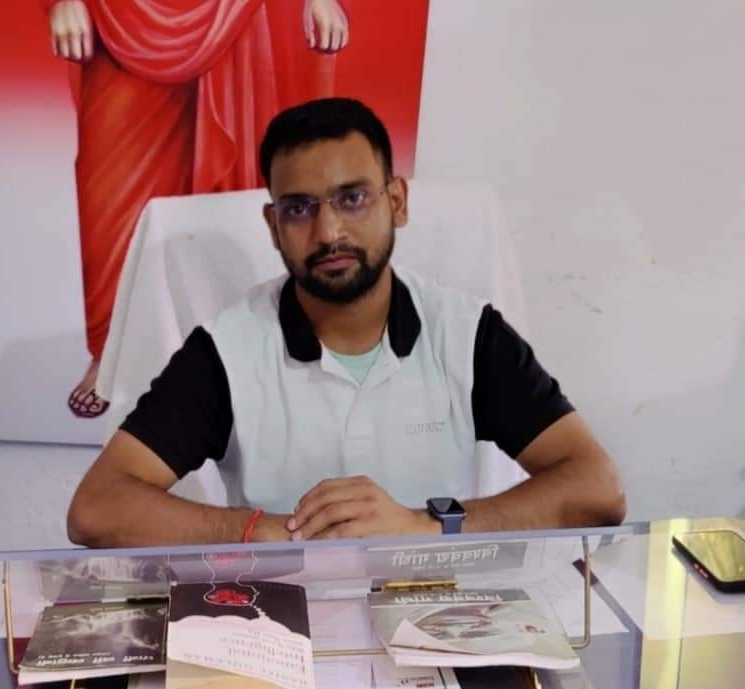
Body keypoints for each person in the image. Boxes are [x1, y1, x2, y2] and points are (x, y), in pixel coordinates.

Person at [66, 98, 626, 546]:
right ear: (273, 225)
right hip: (279, 614)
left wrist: (426, 527)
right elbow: (98, 508)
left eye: (352, 198)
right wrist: (269, 533)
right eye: (299, 208)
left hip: (437, 613)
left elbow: (597, 486)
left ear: (397, 202)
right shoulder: (227, 349)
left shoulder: (467, 333)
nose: (329, 232)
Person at [44, 0, 351, 418]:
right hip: (121, 15)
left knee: (236, 194)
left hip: (236, 12)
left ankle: (235, 355)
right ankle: (111, 352)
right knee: (110, 192)